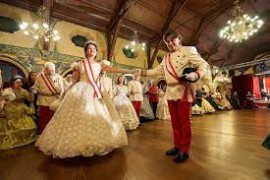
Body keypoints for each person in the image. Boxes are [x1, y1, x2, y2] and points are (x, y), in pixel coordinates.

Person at [35, 40, 133, 158]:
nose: (91, 50)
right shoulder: (79, 64)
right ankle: (77, 145)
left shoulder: (100, 65)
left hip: (95, 93)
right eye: (89, 49)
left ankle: (95, 143)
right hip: (80, 91)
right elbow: (75, 80)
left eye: (93, 49)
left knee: (98, 116)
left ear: (96, 52)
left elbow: (115, 70)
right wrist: (66, 93)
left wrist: (130, 71)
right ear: (86, 52)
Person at [136, 30, 208, 163]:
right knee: (174, 122)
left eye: (172, 40)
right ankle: (177, 146)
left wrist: (196, 74)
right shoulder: (166, 58)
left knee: (184, 122)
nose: (170, 43)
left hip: (183, 90)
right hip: (171, 91)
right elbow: (156, 71)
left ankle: (184, 150)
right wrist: (140, 72)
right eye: (167, 42)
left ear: (179, 39)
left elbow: (204, 64)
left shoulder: (188, 50)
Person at [0, 75, 37, 150]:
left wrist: (31, 93)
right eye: (17, 82)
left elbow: (30, 100)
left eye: (20, 82)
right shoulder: (8, 90)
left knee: (25, 117)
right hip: (10, 107)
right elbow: (3, 100)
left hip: (21, 107)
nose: (19, 84)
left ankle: (22, 138)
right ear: (13, 83)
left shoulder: (24, 91)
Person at [31, 63, 65, 134]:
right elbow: (35, 87)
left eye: (52, 70)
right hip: (43, 100)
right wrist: (34, 90)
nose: (52, 71)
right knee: (44, 118)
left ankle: (53, 133)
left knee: (54, 117)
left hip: (55, 100)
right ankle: (43, 133)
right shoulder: (40, 76)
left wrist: (60, 96)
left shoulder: (58, 77)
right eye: (47, 69)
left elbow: (62, 89)